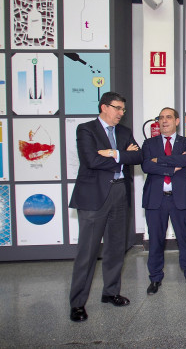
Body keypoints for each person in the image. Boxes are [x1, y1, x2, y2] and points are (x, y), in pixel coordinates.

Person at [68, 92, 143, 322]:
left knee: (116, 249)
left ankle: (111, 292)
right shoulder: (86, 129)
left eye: (123, 109)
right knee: (88, 252)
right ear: (104, 107)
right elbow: (91, 160)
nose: (121, 113)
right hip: (94, 197)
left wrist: (113, 153)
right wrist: (123, 156)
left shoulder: (124, 132)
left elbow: (138, 157)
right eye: (117, 108)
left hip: (120, 193)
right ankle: (77, 303)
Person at [141, 107, 186, 294]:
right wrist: (171, 167)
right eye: (161, 118)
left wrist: (159, 160)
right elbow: (146, 165)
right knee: (155, 240)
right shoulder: (149, 143)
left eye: (168, 117)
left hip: (180, 198)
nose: (164, 121)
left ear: (177, 121)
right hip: (155, 199)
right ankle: (155, 277)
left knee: (184, 238)